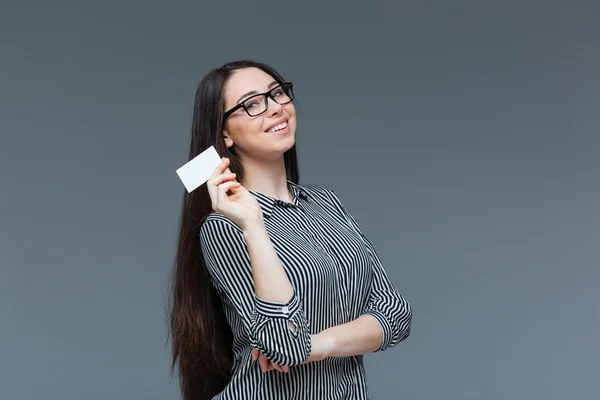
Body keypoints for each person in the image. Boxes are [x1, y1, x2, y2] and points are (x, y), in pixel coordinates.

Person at [168, 60, 412, 400]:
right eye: (252, 104)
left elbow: (396, 314)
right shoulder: (225, 227)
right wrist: (253, 224)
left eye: (278, 93)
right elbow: (282, 345)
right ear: (225, 134)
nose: (276, 108)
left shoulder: (326, 202)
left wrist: (319, 344)